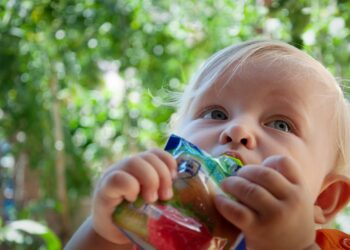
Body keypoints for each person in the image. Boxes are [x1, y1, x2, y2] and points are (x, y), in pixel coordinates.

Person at [65, 39, 350, 250]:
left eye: (280, 125)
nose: (237, 129)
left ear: (324, 199)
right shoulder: (152, 233)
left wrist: (294, 246)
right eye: (215, 114)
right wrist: (104, 232)